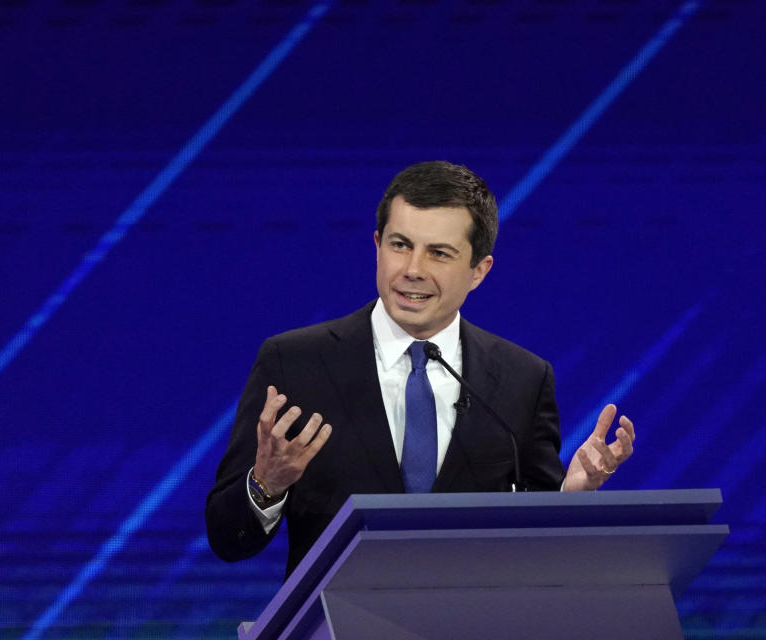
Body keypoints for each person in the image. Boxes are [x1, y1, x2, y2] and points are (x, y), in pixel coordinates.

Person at [205, 161, 636, 576]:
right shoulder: (295, 363)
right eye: (400, 245)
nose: (413, 270)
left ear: (478, 271)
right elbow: (228, 539)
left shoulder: (522, 378)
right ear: (377, 246)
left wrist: (569, 496)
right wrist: (266, 485)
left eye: (439, 254)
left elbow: (538, 545)